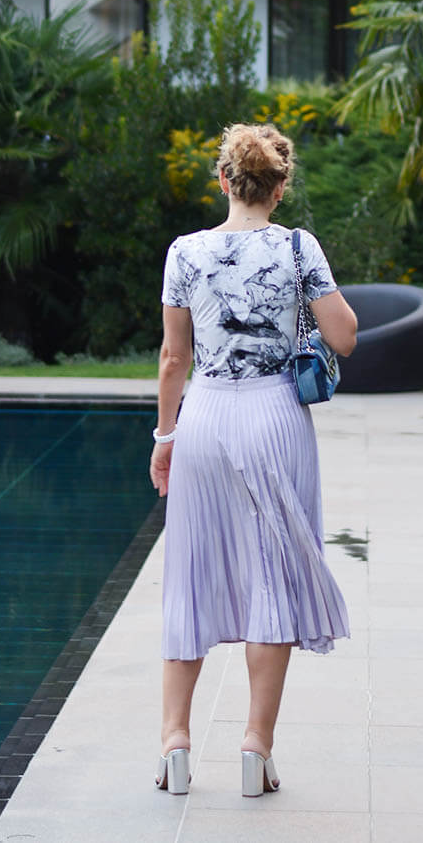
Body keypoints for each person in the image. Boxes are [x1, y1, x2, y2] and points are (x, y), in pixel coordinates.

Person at [150, 123, 357, 798]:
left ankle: (175, 744)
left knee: (189, 573)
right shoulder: (298, 247)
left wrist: (165, 438)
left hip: (205, 416)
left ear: (224, 181)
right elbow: (344, 336)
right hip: (273, 416)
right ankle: (254, 746)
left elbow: (173, 358)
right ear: (279, 186)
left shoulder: (186, 252)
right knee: (272, 578)